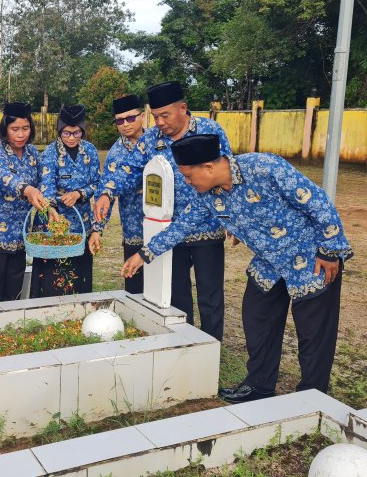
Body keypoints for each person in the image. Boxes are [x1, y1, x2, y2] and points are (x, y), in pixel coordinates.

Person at [122, 134, 352, 403]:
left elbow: (318, 202)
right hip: (269, 263)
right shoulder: (207, 196)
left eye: (187, 175)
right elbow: (182, 227)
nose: (187, 182)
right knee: (257, 319)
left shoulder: (265, 167)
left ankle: (312, 397)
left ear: (208, 167)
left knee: (313, 334)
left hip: (311, 258)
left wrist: (329, 250)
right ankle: (259, 386)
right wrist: (144, 254)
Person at [93, 82, 230, 341]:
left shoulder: (210, 131)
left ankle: (211, 347)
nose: (160, 122)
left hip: (206, 229)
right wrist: (106, 192)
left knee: (210, 296)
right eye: (155, 116)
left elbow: (226, 176)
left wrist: (231, 219)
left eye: (165, 115)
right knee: (177, 295)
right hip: (169, 232)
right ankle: (185, 343)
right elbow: (130, 170)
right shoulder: (150, 139)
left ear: (183, 108)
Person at [0, 102, 48, 303]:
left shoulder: (33, 153)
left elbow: (45, 178)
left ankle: (9, 328)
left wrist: (49, 202)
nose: (21, 134)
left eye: (25, 128)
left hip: (19, 233)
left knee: (15, 286)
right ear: (5, 129)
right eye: (15, 129)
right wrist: (28, 189)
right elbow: (4, 178)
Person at [31, 105, 100, 296]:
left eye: (77, 132)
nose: (72, 138)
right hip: (55, 225)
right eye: (67, 133)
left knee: (79, 276)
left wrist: (79, 193)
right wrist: (52, 207)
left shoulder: (90, 151)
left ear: (83, 130)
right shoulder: (50, 153)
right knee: (53, 278)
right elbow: (46, 186)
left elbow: (96, 183)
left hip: (81, 224)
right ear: (60, 131)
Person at [89, 94, 147, 294]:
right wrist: (97, 229)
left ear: (142, 116)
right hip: (133, 228)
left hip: (163, 226)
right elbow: (106, 194)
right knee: (135, 288)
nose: (125, 124)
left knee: (168, 288)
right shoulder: (116, 152)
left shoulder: (159, 142)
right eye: (120, 121)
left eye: (130, 118)